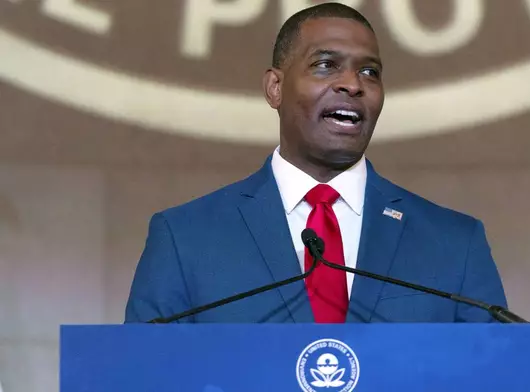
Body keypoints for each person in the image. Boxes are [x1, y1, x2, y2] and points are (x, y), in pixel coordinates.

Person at [124, 2, 507, 324]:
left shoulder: (455, 244)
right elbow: (139, 375)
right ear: (275, 88)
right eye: (326, 65)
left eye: (369, 72)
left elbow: (496, 375)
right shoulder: (185, 238)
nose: (353, 84)